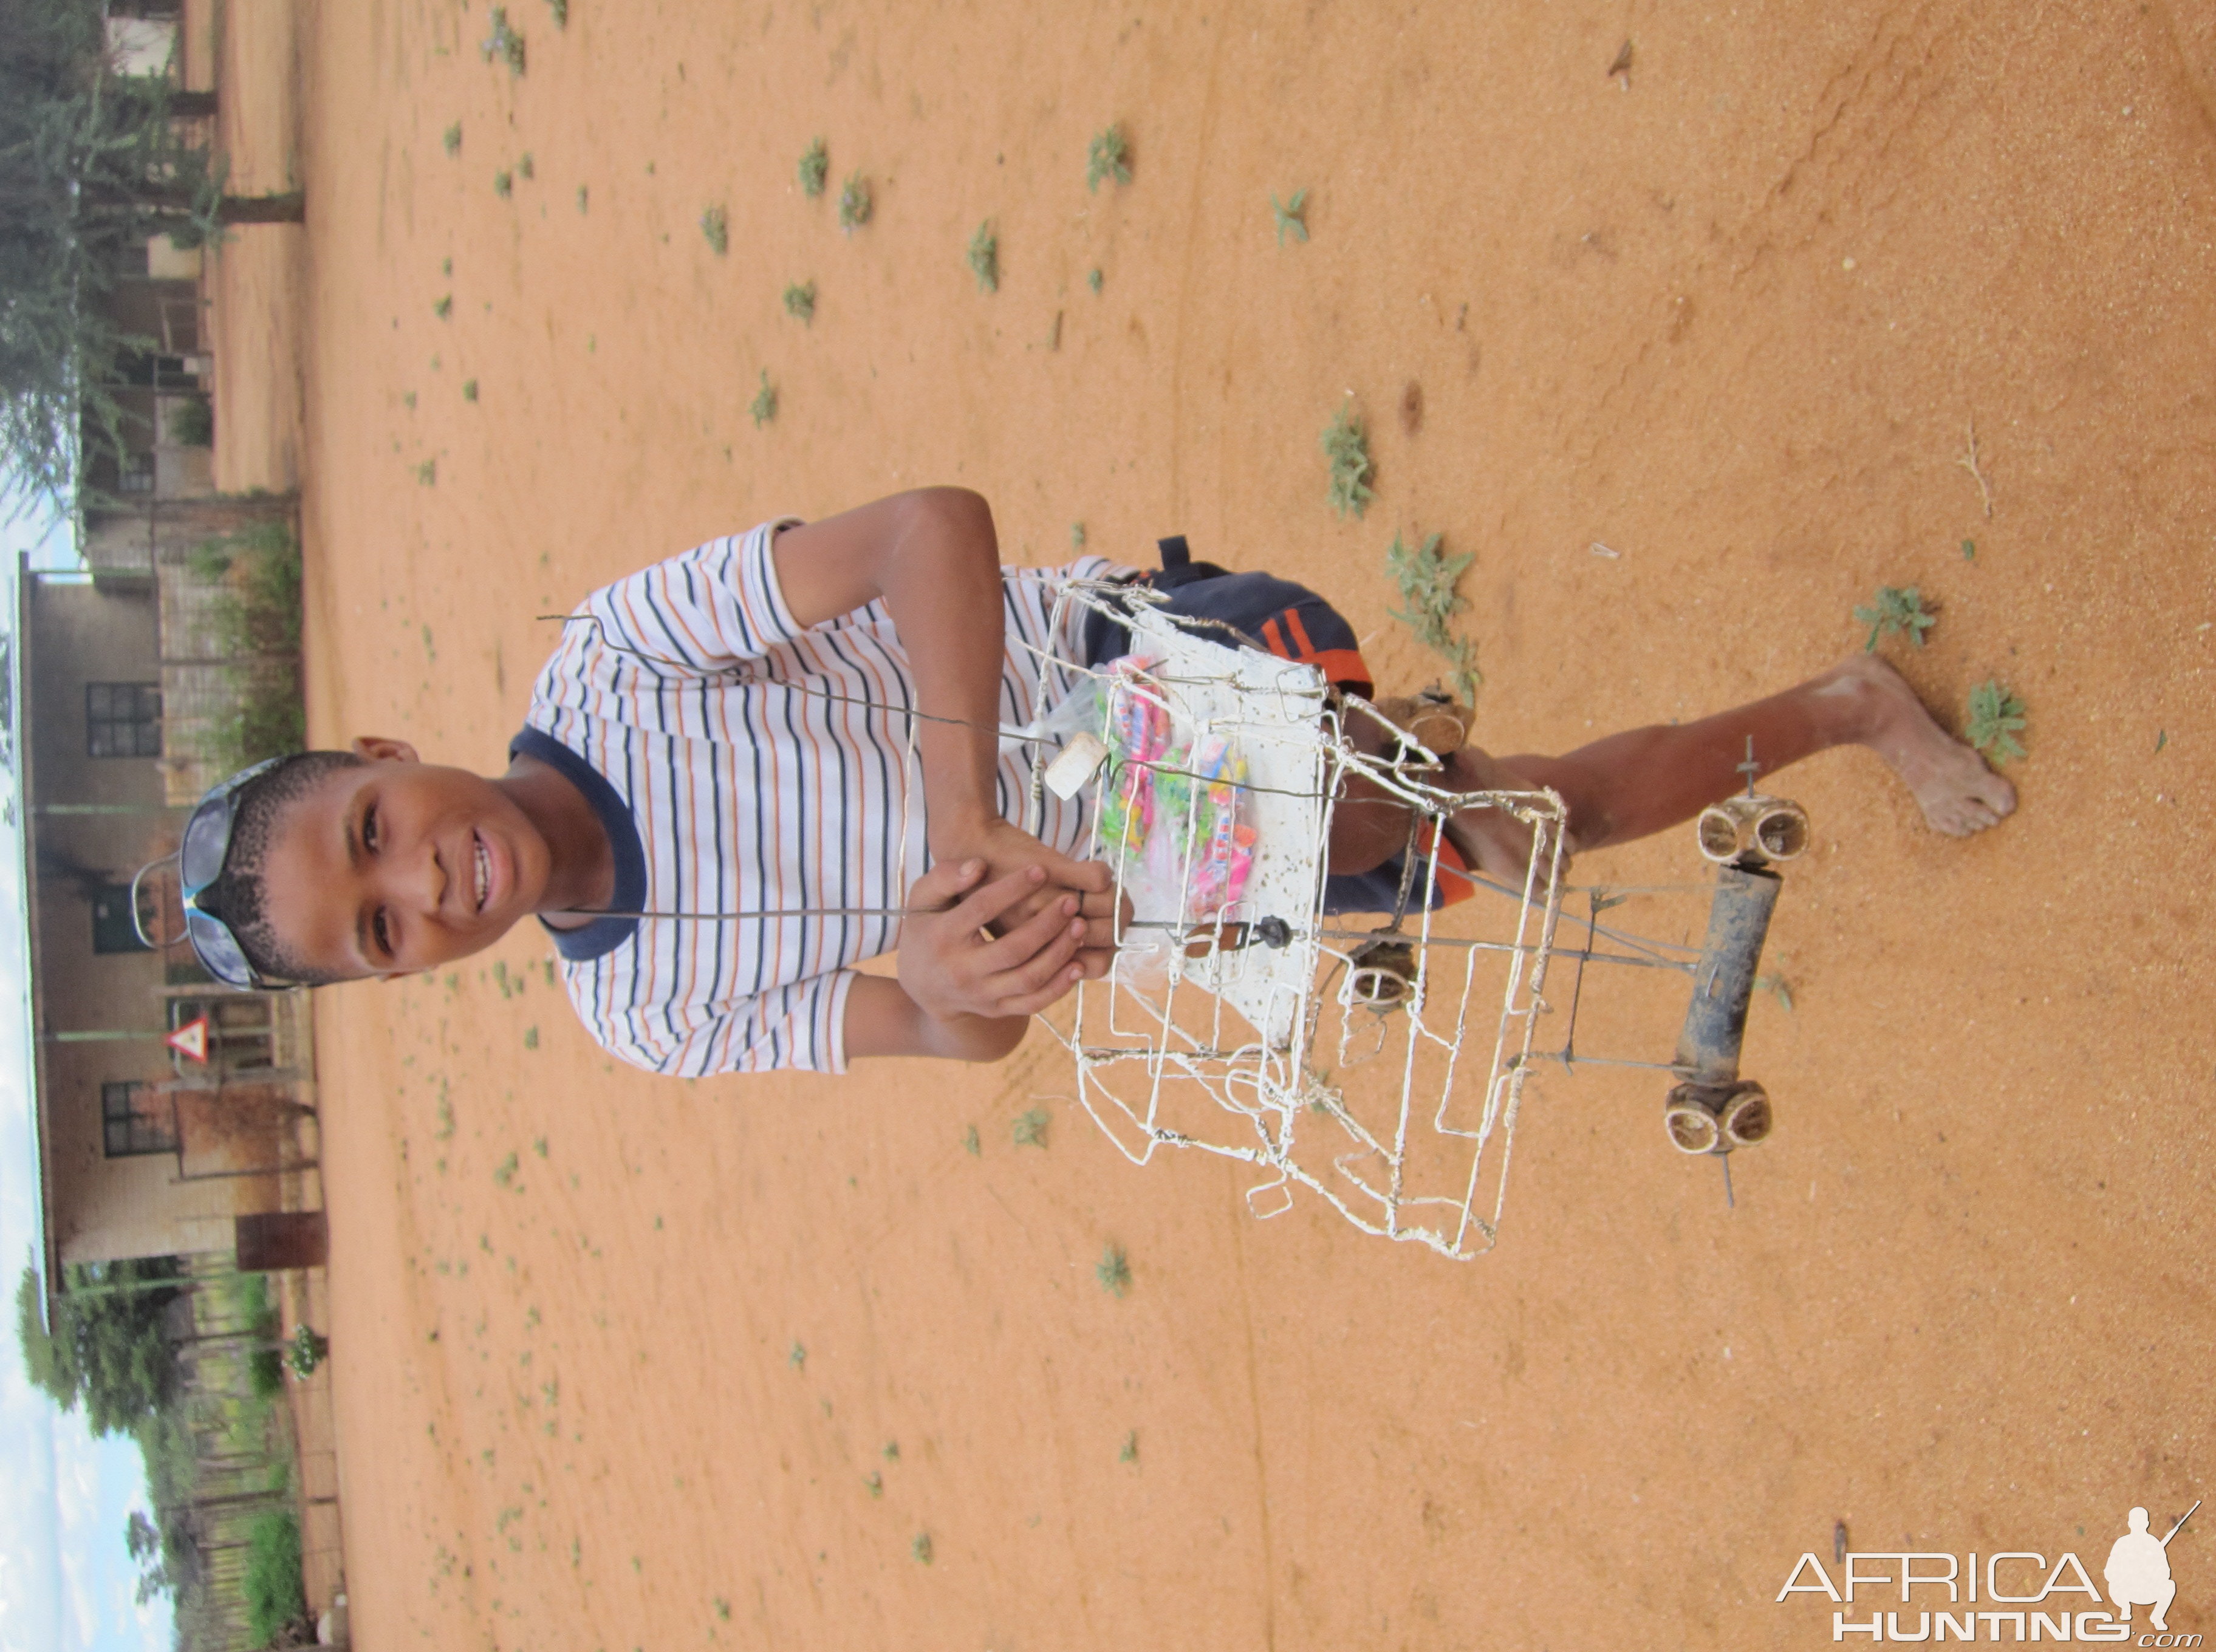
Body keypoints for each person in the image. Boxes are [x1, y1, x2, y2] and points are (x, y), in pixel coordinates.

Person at [160, 487, 2014, 1074]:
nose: (433, 886)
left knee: (1529, 818)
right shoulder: (644, 1016)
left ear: (387, 758)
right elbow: (948, 1044)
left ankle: (1854, 708)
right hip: (1166, 895)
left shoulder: (618, 657)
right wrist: (978, 997)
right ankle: (1506, 796)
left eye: (375, 838)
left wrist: (966, 815)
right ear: (406, 975)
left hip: (1133, 697)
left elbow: (927, 532)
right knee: (1493, 824)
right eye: (387, 933)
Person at [2105, 1507, 2178, 1631]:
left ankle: (2157, 1617)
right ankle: (2125, 1608)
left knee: (2170, 1586)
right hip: (2125, 1591)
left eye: (2141, 1522)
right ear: (2129, 1524)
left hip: (2148, 1590)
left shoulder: (2154, 1544)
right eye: (2135, 1522)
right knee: (2114, 1585)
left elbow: (2166, 1572)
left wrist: (2150, 1572)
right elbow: (2109, 1571)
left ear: (2147, 1524)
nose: (2138, 1525)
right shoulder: (2122, 1543)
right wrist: (2126, 1573)